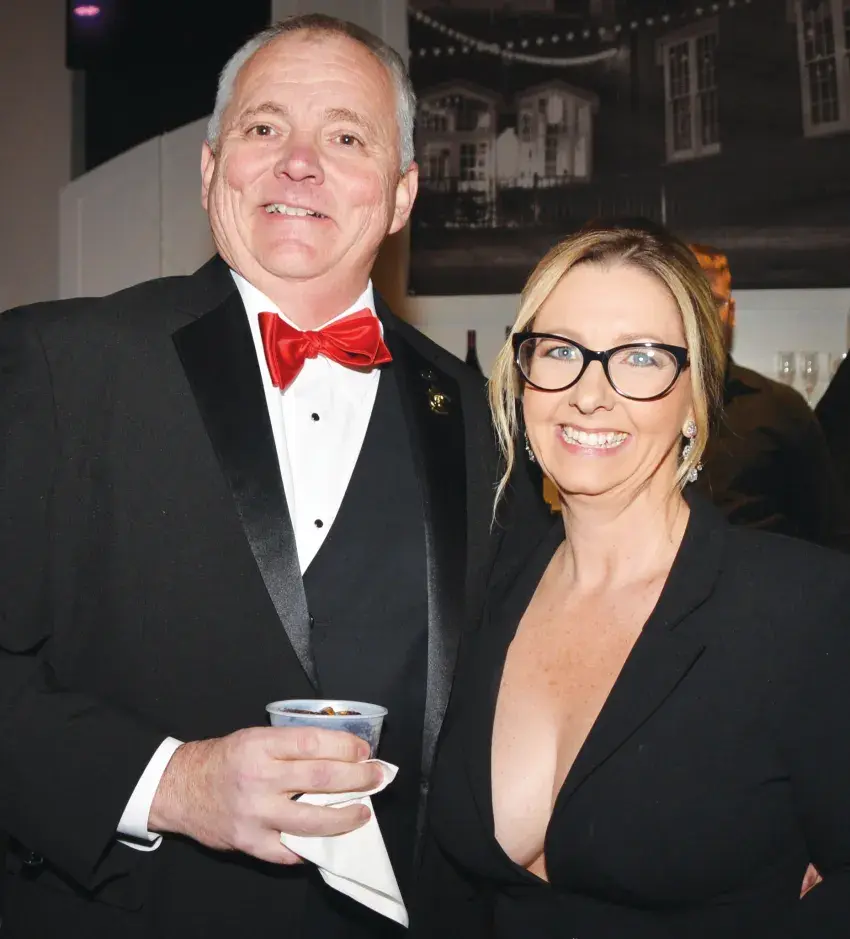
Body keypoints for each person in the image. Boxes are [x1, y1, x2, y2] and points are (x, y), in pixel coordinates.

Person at [0, 15, 546, 939]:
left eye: (346, 137)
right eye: (264, 127)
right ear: (211, 167)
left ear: (403, 193)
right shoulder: (57, 362)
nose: (299, 163)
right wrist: (168, 783)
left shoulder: (482, 414)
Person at [415, 224, 850, 937]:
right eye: (560, 350)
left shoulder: (806, 610)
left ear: (695, 397)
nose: (589, 394)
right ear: (522, 379)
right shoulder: (481, 594)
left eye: (641, 357)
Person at [690, 244, 850, 549]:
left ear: (731, 313)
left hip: (760, 575)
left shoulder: (780, 407)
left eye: (715, 302)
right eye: (691, 302)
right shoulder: (638, 405)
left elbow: (831, 531)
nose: (704, 316)